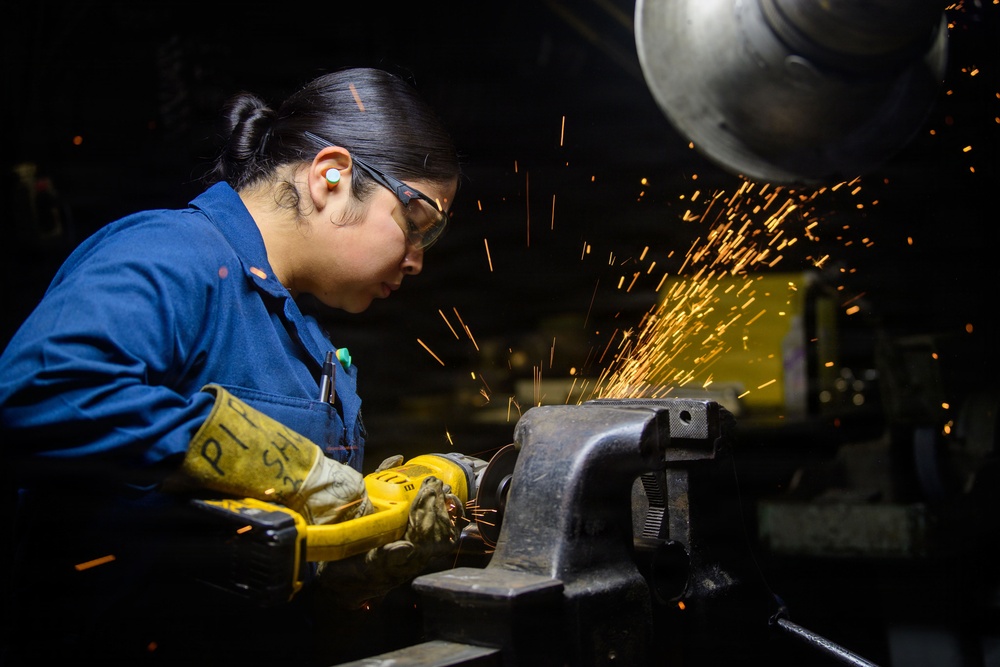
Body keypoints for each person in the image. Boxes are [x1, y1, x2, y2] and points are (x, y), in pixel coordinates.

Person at [0, 67, 463, 666]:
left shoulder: (312, 345)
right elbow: (42, 390)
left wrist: (348, 563)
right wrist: (284, 465)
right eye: (417, 224)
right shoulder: (173, 256)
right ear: (331, 177)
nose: (417, 261)